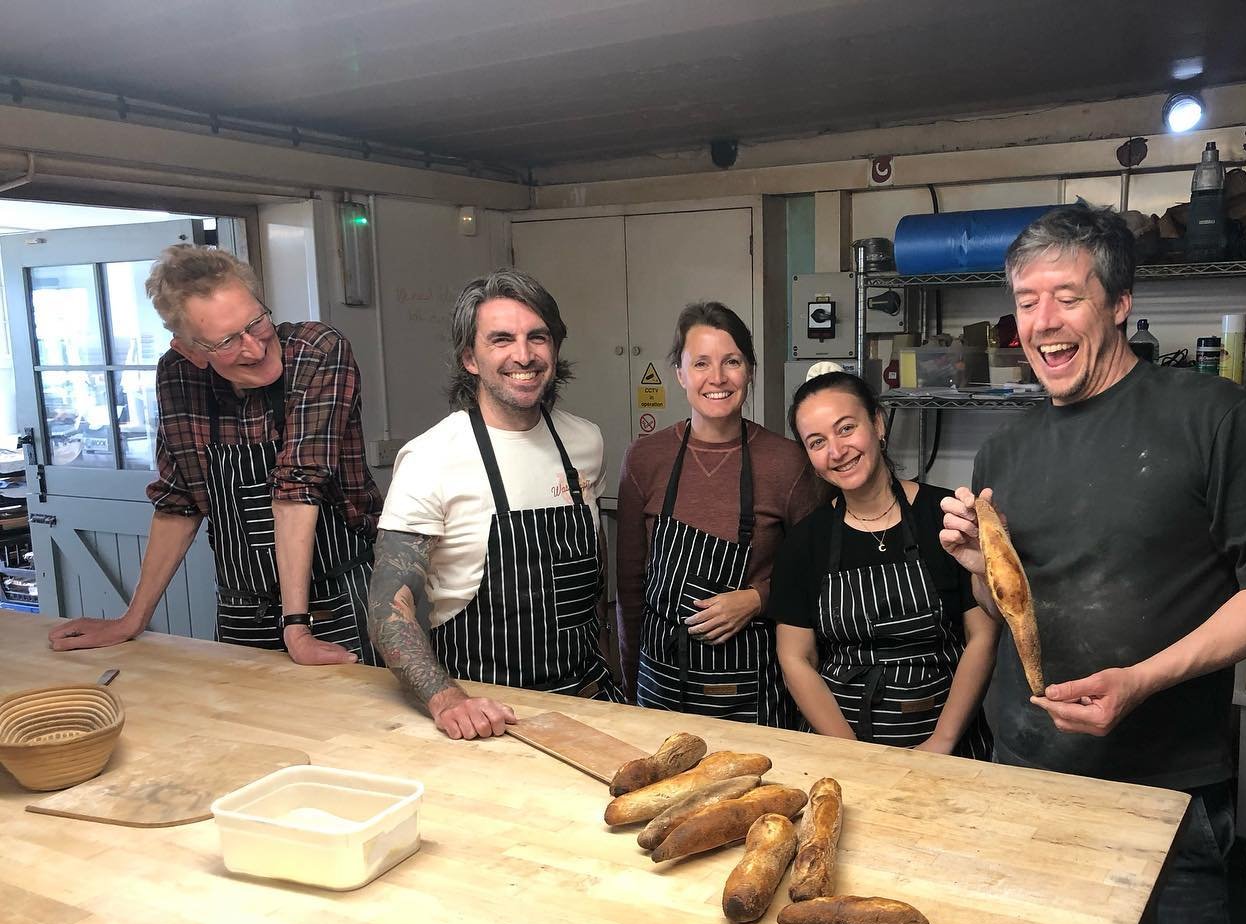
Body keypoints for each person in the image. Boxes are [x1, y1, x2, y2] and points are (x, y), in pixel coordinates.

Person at [938, 203, 1246, 924]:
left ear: (1118, 303)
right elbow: (1007, 603)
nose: (1041, 323)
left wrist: (1144, 679)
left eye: (1065, 297)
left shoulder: (1210, 416)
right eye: (1025, 302)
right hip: (1028, 782)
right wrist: (973, 560)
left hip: (1163, 795)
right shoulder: (1005, 441)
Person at [49, 245, 381, 665]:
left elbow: (297, 489)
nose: (255, 349)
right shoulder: (176, 375)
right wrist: (132, 619)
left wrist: (295, 625)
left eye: (256, 323)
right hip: (241, 604)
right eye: (227, 341)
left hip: (337, 595)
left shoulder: (317, 352)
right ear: (190, 350)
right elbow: (179, 501)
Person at [368, 269, 617, 741]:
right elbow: (387, 604)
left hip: (589, 698)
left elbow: (592, 571)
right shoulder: (432, 458)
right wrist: (446, 699)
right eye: (501, 339)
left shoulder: (585, 441)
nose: (522, 355)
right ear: (470, 358)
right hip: (489, 714)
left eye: (537, 337)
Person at [616, 301, 822, 726]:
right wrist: (631, 683)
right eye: (701, 363)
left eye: (732, 361)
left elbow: (817, 576)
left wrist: (757, 598)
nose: (717, 378)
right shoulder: (645, 458)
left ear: (749, 369)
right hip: (659, 684)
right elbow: (630, 584)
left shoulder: (787, 462)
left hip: (752, 691)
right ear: (679, 373)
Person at [768, 371, 996, 754]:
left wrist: (942, 741)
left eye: (846, 428)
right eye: (817, 442)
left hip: (947, 743)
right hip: (842, 744)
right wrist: (853, 753)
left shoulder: (947, 518)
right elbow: (795, 657)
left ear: (878, 423)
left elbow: (983, 636)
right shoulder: (805, 540)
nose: (836, 451)